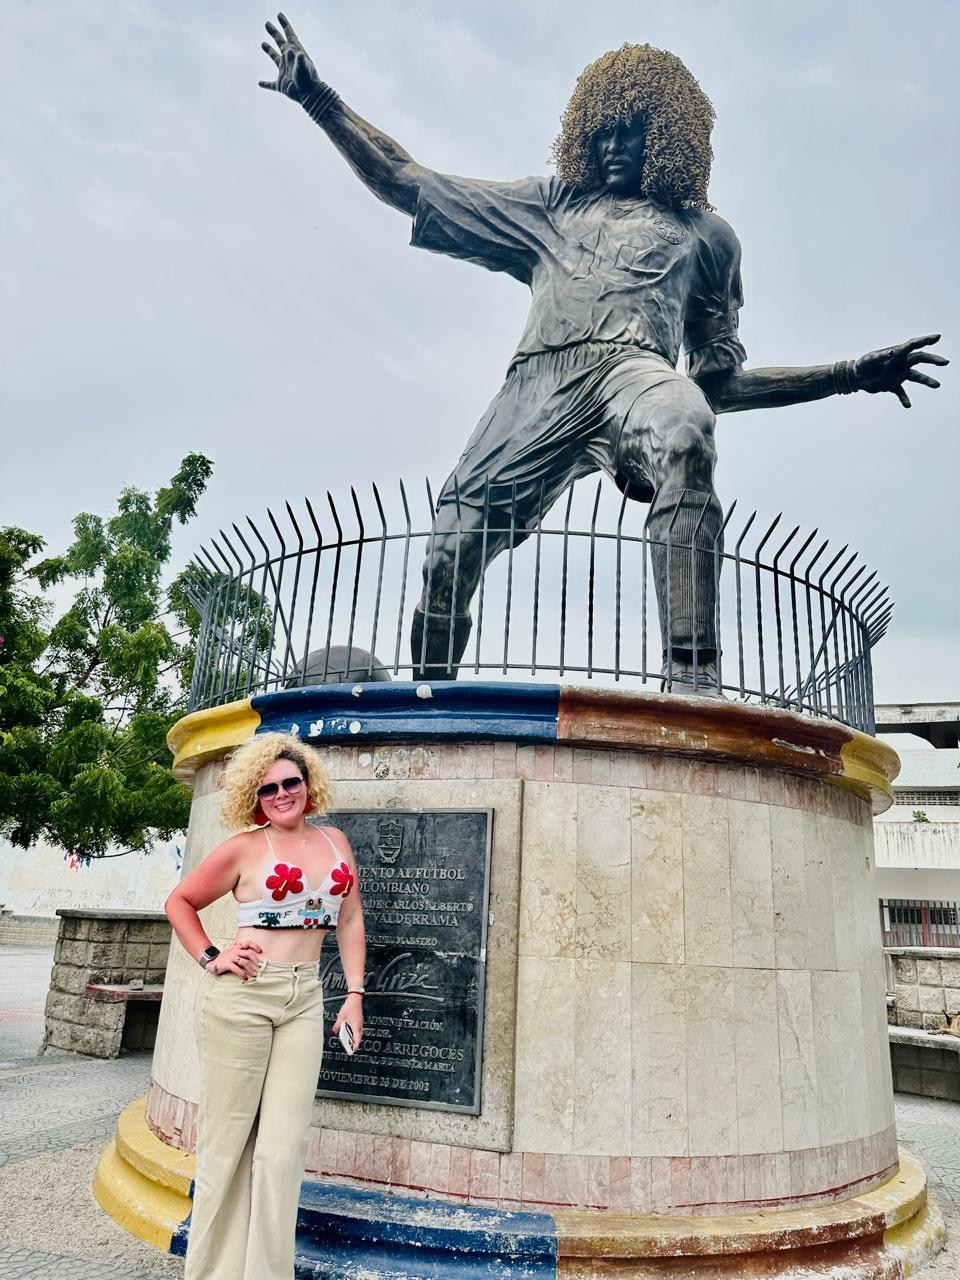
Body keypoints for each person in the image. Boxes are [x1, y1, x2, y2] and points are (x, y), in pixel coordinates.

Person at [258, 15, 947, 691]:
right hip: (538, 387)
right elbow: (405, 179)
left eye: (634, 129)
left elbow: (718, 382)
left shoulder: (707, 237)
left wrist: (849, 376)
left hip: (635, 374)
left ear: (667, 137)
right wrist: (318, 100)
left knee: (684, 427)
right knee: (447, 552)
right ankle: (427, 699)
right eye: (603, 129)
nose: (616, 143)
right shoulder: (550, 206)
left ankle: (693, 672)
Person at [165, 731, 365, 1280]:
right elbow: (179, 901)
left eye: (291, 782)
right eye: (269, 787)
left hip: (305, 998)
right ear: (255, 797)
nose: (282, 794)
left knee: (281, 1152)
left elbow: (348, 919)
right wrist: (212, 955)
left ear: (308, 785)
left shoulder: (335, 842)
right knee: (226, 1147)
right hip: (244, 999)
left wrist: (353, 996)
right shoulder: (244, 848)